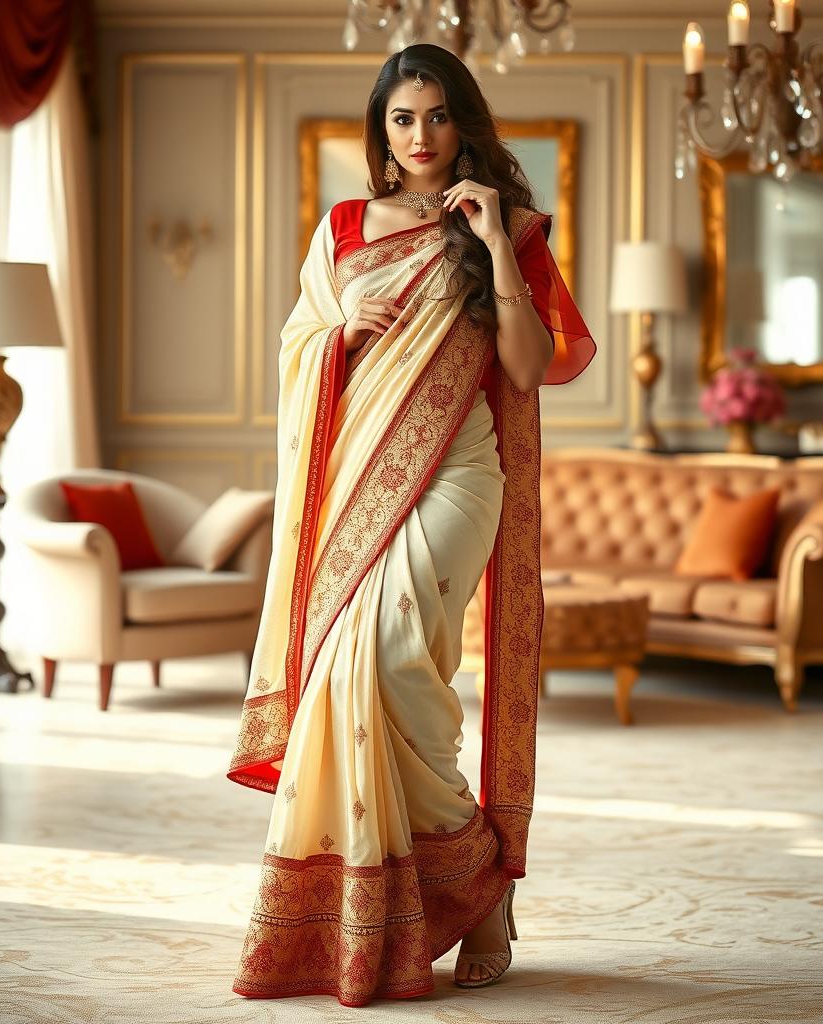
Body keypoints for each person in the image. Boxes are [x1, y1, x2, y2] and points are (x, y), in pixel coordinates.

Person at [226, 42, 596, 1007]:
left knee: (388, 655)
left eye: (436, 116)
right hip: (357, 474)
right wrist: (335, 340)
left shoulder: (503, 226)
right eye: (402, 118)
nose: (420, 135)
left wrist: (494, 242)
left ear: (461, 121)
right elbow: (298, 341)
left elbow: (527, 366)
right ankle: (478, 890)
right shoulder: (344, 226)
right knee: (363, 673)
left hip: (461, 470)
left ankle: (472, 883)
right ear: (381, 131)